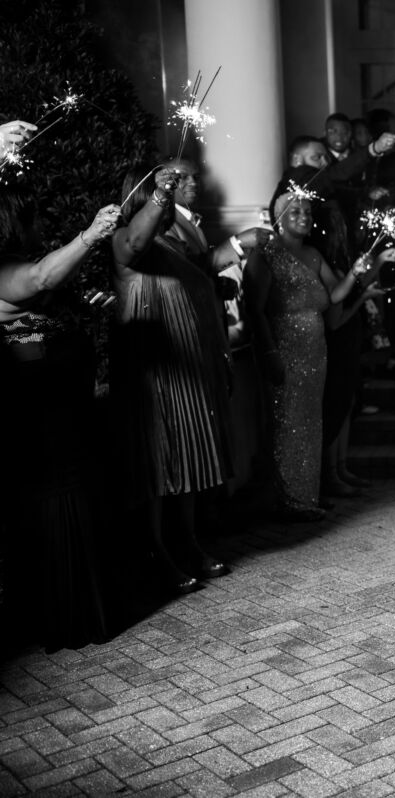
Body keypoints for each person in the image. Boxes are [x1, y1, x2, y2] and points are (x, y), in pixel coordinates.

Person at [1, 190, 118, 650]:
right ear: (15, 223)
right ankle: (62, 615)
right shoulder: (7, 271)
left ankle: (76, 608)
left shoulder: (21, 268)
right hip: (41, 430)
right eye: (35, 219)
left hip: (62, 424)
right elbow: (41, 277)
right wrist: (91, 235)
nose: (42, 226)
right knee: (55, 504)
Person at [110, 166, 234, 595]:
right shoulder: (125, 240)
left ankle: (186, 541)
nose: (170, 199)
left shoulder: (172, 245)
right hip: (154, 374)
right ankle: (155, 551)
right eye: (162, 193)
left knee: (190, 458)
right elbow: (135, 242)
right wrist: (162, 194)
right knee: (158, 464)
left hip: (189, 373)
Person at [243, 189, 375, 521]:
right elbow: (255, 309)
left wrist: (355, 272)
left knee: (310, 422)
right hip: (284, 349)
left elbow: (334, 296)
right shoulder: (266, 253)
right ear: (278, 217)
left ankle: (306, 495)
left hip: (316, 352)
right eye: (296, 211)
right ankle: (287, 499)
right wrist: (270, 352)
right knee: (286, 423)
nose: (305, 217)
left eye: (307, 212)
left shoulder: (314, 255)